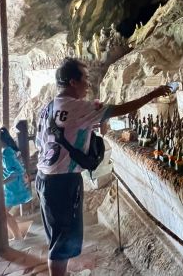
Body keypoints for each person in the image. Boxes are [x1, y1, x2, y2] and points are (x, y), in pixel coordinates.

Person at [35, 57, 170, 276]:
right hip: (62, 181)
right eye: (85, 79)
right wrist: (153, 95)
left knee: (58, 236)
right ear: (72, 82)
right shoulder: (76, 107)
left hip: (45, 178)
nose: (88, 84)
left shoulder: (47, 108)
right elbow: (121, 109)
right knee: (61, 244)